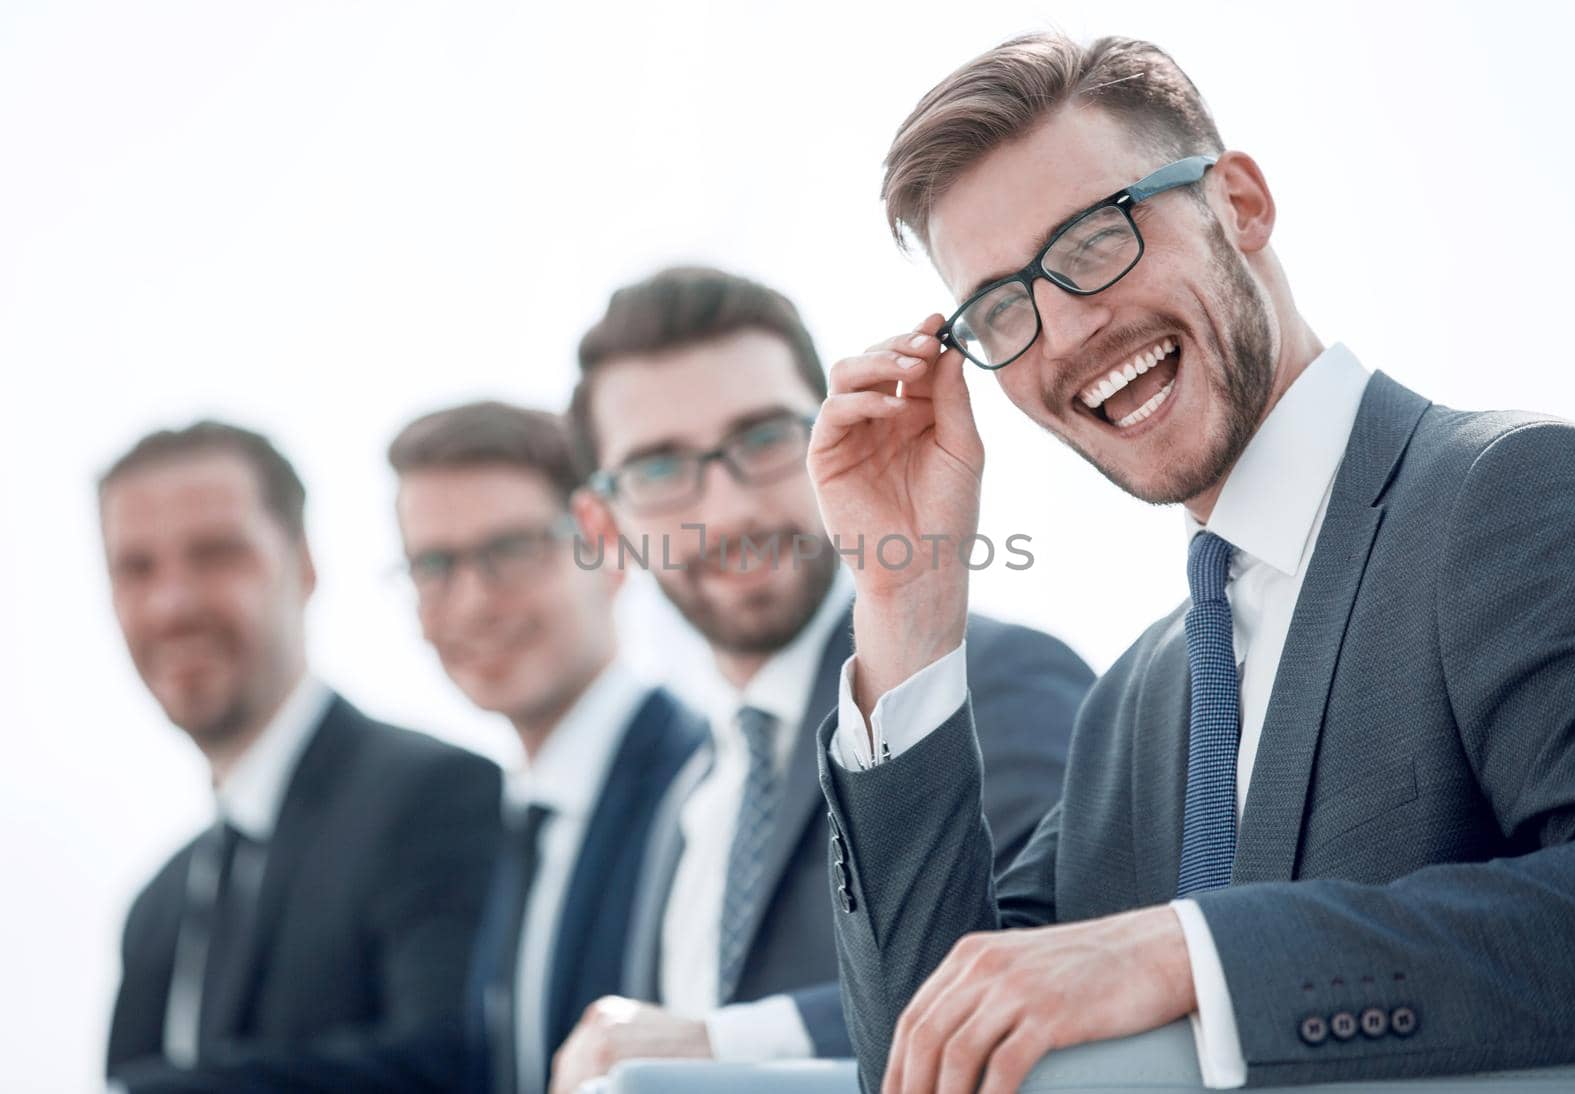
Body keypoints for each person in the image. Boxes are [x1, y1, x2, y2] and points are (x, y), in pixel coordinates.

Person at [809, 31, 1575, 1094]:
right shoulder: (1129, 708)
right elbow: (924, 1049)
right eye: (999, 308)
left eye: (1094, 238)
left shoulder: (1505, 492)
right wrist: (906, 599)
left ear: (1240, 202)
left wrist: (1190, 951)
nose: (1063, 333)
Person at [549, 266, 1095, 1092]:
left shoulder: (997, 682)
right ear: (602, 522)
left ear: (835, 433)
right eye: (660, 471)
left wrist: (718, 1042)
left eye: (766, 442)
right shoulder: (686, 799)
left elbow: (1058, 956)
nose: (729, 513)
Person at [100, 421, 502, 1090]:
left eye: (215, 555)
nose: (172, 604)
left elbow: (445, 1069)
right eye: (135, 569)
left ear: (305, 566)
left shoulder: (434, 797)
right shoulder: (158, 907)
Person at [389, 401, 705, 1094]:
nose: (472, 602)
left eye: (510, 551)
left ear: (610, 547)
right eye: (434, 565)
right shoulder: (508, 820)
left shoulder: (703, 784)